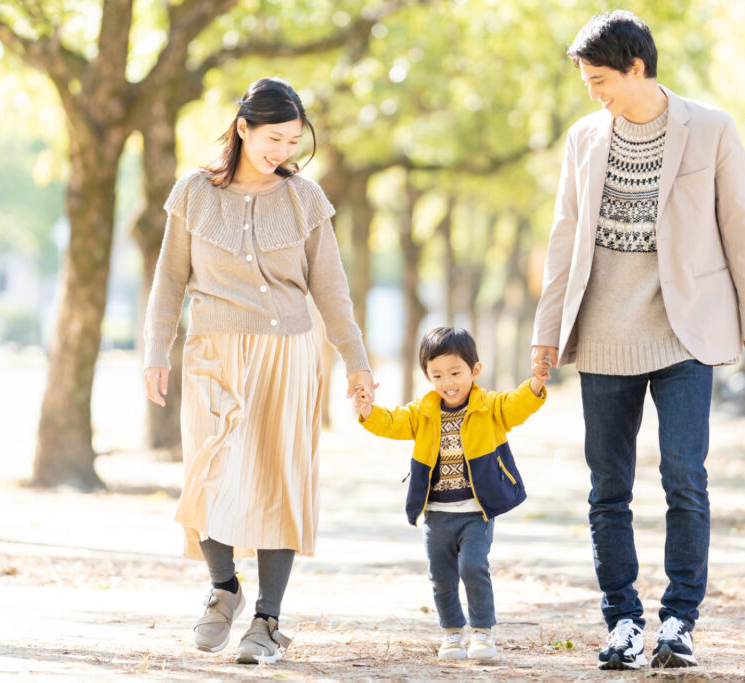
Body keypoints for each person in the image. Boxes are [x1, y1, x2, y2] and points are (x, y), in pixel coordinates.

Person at [531, 10, 745, 671]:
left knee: (684, 477)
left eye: (601, 79)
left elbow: (742, 229)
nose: (593, 93)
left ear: (636, 67)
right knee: (607, 488)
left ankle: (678, 620)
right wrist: (545, 335)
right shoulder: (583, 138)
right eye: (587, 81)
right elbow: (563, 240)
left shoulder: (711, 128)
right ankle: (622, 621)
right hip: (604, 335)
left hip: (685, 333)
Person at [142, 77, 373, 665]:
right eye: (274, 138)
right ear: (243, 128)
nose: (283, 151)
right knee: (207, 471)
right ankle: (224, 588)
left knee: (278, 478)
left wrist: (356, 361)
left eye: (293, 141)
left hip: (288, 355)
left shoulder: (305, 200)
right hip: (212, 352)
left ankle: (267, 619)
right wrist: (155, 350)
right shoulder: (193, 193)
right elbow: (169, 281)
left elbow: (332, 290)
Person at [354, 327, 548, 661]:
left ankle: (482, 631)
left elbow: (517, 405)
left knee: (473, 567)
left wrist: (535, 384)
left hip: (476, 512)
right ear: (428, 377)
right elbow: (393, 422)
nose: (448, 382)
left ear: (475, 370)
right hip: (437, 515)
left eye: (456, 373)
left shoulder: (489, 407)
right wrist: (368, 410)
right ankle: (452, 633)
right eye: (437, 375)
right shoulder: (423, 411)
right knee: (441, 578)